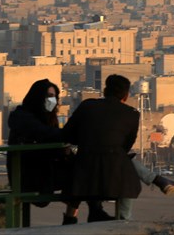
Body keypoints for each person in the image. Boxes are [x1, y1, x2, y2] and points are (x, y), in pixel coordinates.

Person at [61, 74, 142, 221]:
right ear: (126, 95)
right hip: (115, 179)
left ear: (105, 91)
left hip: (83, 176)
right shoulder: (132, 115)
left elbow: (67, 134)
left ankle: (81, 216)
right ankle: (122, 219)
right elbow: (126, 146)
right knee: (127, 166)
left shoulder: (87, 106)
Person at [6, 79, 79, 224]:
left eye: (54, 96)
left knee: (81, 171)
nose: (51, 100)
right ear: (37, 96)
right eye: (48, 96)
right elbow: (43, 134)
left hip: (45, 171)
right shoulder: (21, 117)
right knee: (79, 175)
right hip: (29, 176)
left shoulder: (48, 120)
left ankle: (73, 216)